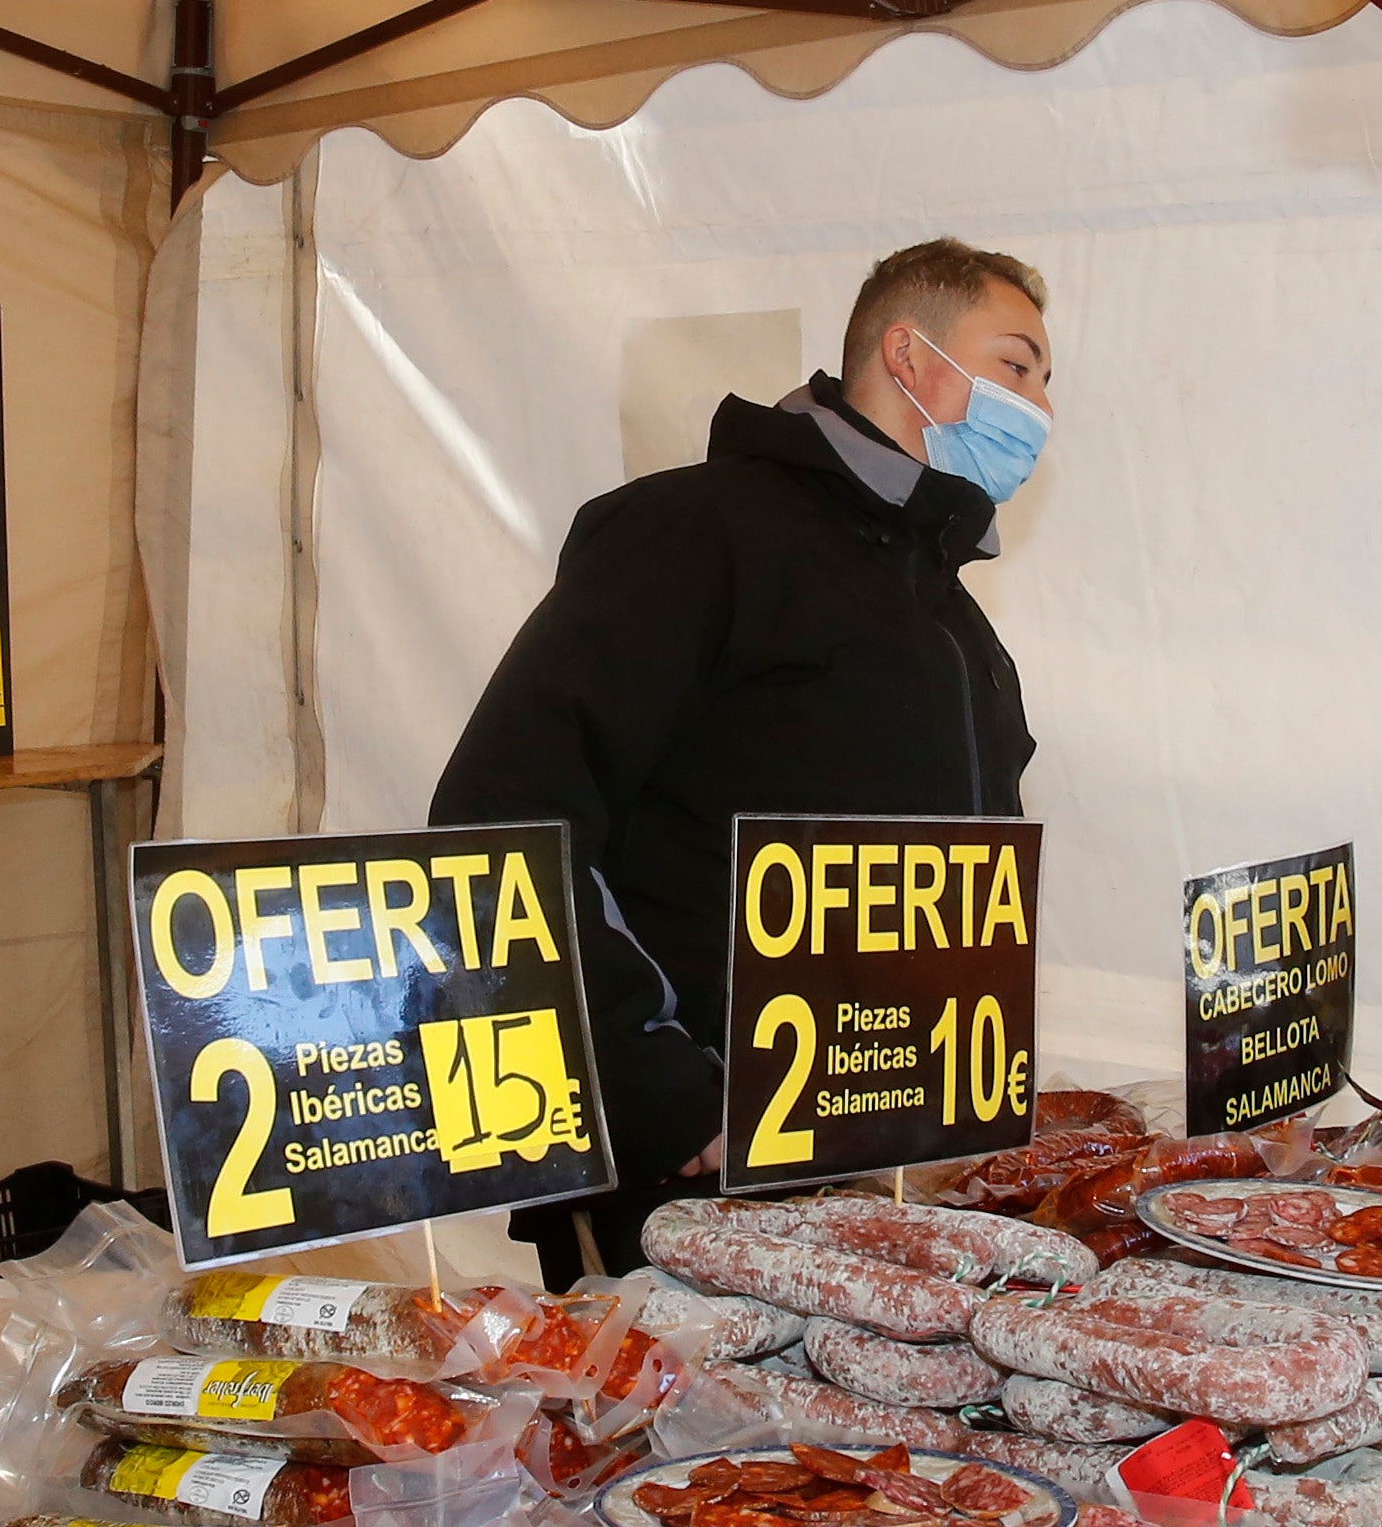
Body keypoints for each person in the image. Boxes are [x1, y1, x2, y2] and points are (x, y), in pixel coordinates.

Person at [430, 239, 1054, 1280]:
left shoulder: (950, 618)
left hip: (880, 1166)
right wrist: (664, 1095)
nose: (1038, 409)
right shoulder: (690, 532)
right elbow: (502, 817)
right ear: (908, 355)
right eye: (1018, 366)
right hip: (688, 1180)